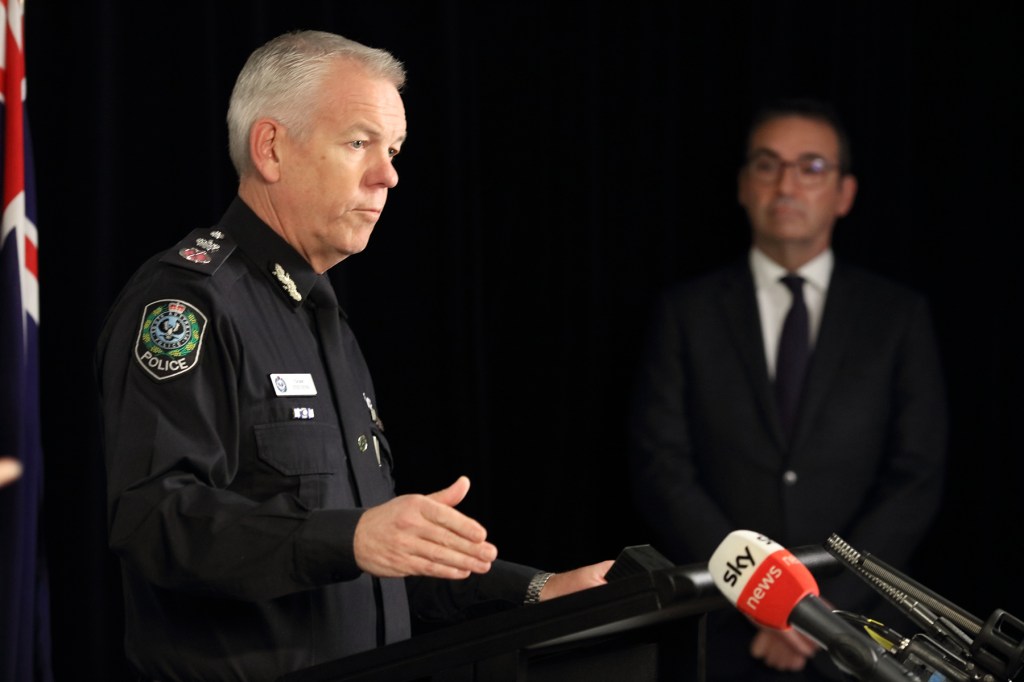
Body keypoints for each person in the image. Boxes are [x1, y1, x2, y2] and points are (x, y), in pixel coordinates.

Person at [96, 30, 611, 682]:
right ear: (272, 148)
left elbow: (371, 566)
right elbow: (155, 522)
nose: (389, 175)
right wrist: (351, 538)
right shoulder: (187, 305)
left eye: (393, 150)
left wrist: (538, 592)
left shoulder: (322, 316)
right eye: (360, 142)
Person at [629, 99, 947, 681]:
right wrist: (762, 598)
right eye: (768, 164)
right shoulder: (686, 313)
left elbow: (917, 476)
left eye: (812, 167)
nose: (787, 184)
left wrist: (820, 616)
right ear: (744, 186)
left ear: (845, 193)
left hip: (862, 635)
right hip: (719, 630)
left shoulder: (897, 316)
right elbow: (662, 467)